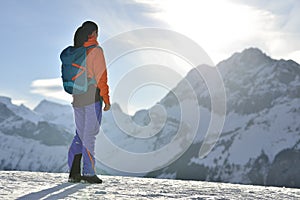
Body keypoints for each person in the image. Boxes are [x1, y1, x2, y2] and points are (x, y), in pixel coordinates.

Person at [67, 21, 111, 184]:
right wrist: (106, 99)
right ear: (93, 34)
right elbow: (101, 78)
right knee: (89, 135)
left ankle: (74, 171)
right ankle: (88, 172)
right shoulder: (96, 50)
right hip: (92, 98)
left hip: (77, 99)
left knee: (80, 134)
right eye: (97, 33)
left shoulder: (76, 51)